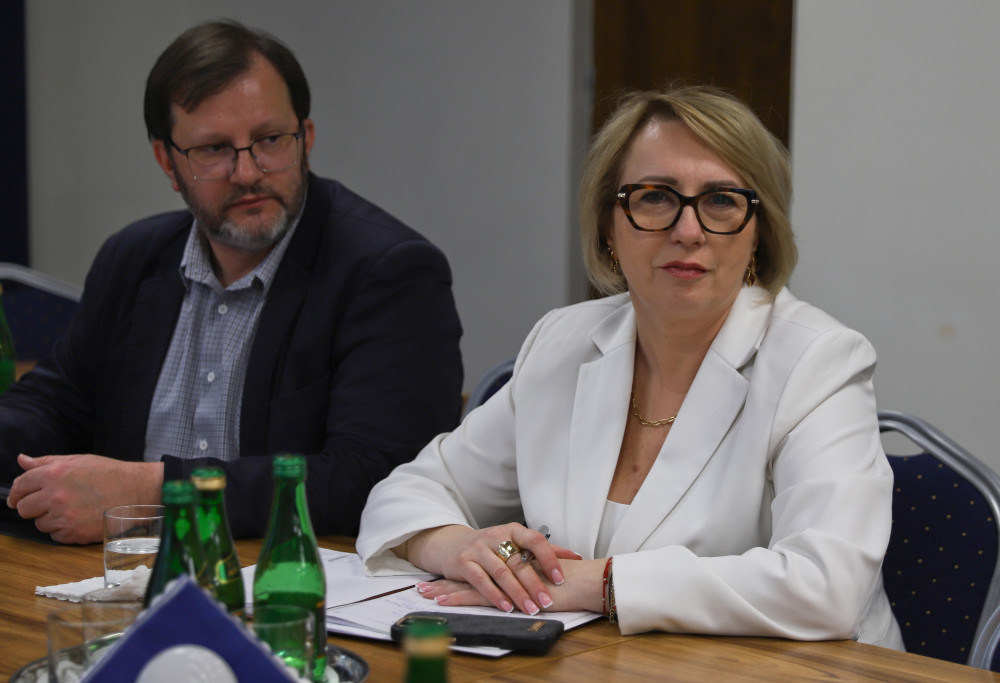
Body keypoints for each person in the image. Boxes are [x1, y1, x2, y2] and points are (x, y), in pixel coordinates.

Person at [356, 86, 903, 648]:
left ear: (759, 231)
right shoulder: (563, 342)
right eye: (656, 197)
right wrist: (457, 546)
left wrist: (591, 584)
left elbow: (827, 586)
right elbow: (413, 489)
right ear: (608, 224)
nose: (688, 230)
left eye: (721, 200)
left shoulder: (819, 360)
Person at [0, 20, 463, 543]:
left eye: (270, 140)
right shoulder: (132, 258)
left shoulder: (390, 272)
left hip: (290, 576)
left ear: (305, 140)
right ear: (168, 162)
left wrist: (155, 492)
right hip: (122, 570)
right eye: (214, 149)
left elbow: (375, 477)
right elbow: (56, 403)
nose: (247, 172)